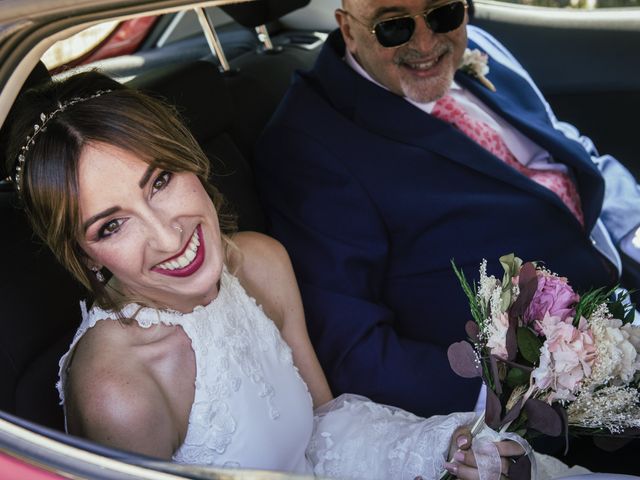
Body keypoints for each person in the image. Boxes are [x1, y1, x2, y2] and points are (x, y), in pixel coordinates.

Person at [3, 70, 538, 480]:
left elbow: (325, 429)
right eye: (112, 225)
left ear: (190, 158)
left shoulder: (259, 261)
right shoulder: (119, 390)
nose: (168, 239)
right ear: (86, 254)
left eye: (160, 181)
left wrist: (444, 449)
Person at [254, 0, 640, 430]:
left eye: (443, 14)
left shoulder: (480, 47)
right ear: (348, 28)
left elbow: (564, 150)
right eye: (393, 26)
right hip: (553, 401)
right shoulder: (308, 146)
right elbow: (353, 349)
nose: (425, 42)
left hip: (623, 293)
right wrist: (515, 400)